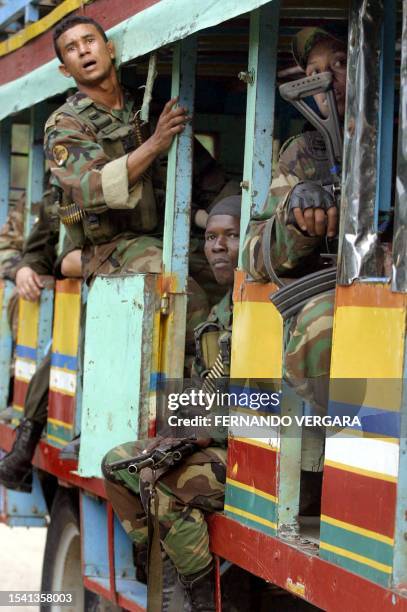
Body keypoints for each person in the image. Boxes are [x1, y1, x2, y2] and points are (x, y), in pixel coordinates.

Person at [44, 15, 238, 342]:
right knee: (184, 294)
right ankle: (204, 374)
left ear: (109, 48)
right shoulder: (65, 125)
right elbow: (93, 189)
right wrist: (154, 145)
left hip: (168, 237)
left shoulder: (146, 112)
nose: (83, 51)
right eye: (72, 49)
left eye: (89, 41)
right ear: (66, 69)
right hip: (110, 248)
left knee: (232, 276)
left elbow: (213, 182)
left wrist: (234, 227)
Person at [103, 196, 241, 612]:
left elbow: (277, 406)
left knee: (160, 483)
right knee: (118, 463)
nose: (217, 246)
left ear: (252, 242)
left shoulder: (269, 312)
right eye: (211, 237)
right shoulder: (221, 311)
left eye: (231, 236)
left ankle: (198, 600)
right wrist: (176, 429)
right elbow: (206, 387)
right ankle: (151, 560)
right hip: (216, 445)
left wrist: (204, 432)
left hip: (249, 457)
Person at [242, 27, 347, 481]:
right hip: (339, 297)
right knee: (320, 326)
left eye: (340, 64)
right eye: (313, 73)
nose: (327, 81)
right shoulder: (303, 153)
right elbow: (254, 255)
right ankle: (323, 471)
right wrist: (294, 215)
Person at [0, 192, 81, 492]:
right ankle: (25, 433)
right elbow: (20, 248)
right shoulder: (50, 194)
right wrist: (21, 269)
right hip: (61, 301)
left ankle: (26, 439)